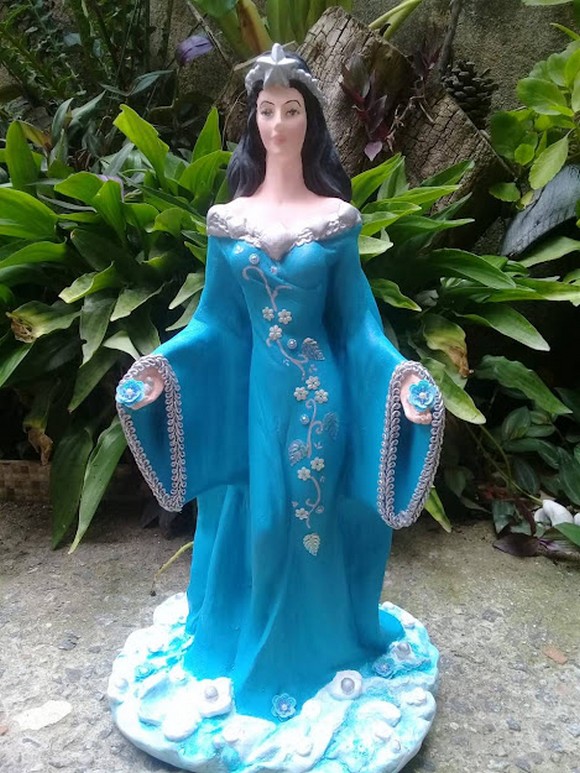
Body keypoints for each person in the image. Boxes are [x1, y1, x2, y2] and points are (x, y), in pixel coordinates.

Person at [111, 44, 444, 769]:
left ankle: (306, 660)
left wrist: (401, 384)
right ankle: (261, 657)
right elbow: (215, 322)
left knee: (308, 520)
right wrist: (164, 367)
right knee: (262, 523)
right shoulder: (227, 219)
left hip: (321, 399)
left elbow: (358, 327)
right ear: (253, 120)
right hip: (257, 401)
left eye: (292, 110)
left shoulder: (337, 219)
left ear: (310, 121)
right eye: (267, 110)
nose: (279, 123)